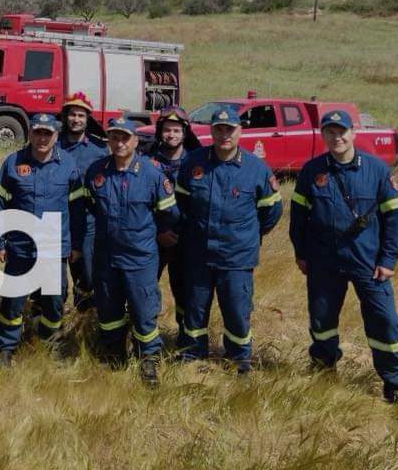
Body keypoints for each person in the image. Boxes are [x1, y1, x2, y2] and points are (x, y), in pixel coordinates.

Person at [290, 109, 398, 407]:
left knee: (385, 322)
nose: (337, 137)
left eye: (342, 131)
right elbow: (298, 217)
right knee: (322, 320)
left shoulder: (377, 170)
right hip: (323, 261)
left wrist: (388, 260)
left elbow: (394, 219)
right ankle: (323, 370)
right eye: (330, 132)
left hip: (368, 263)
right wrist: (302, 253)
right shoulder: (311, 171)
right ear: (323, 135)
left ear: (354, 133)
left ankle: (394, 384)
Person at [174, 105, 282, 372]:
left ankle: (238, 358)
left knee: (236, 309)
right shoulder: (193, 162)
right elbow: (181, 203)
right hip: (199, 253)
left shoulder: (256, 169)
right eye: (219, 129)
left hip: (236, 256)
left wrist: (250, 235)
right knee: (195, 308)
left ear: (239, 132)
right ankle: (193, 354)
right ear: (211, 131)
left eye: (230, 130)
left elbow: (271, 210)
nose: (224, 135)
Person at [82, 117, 179, 385]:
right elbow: (89, 207)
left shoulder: (152, 175)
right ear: (109, 140)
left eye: (125, 137)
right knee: (109, 311)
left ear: (135, 141)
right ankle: (114, 356)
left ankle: (148, 360)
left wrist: (159, 233)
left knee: (143, 311)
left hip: (140, 259)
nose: (119, 142)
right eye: (114, 137)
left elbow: (170, 213)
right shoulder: (96, 172)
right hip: (106, 258)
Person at [0, 112, 84, 365]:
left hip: (53, 249)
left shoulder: (68, 165)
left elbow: (77, 209)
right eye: (37, 132)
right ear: (30, 133)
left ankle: (49, 344)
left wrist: (76, 245)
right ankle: (5, 347)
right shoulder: (12, 162)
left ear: (55, 135)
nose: (42, 138)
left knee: (53, 302)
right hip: (19, 247)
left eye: (47, 133)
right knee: (12, 302)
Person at [143, 106, 201, 333]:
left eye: (176, 130)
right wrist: (159, 231)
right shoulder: (146, 162)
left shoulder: (198, 162)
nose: (171, 135)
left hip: (186, 241)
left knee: (186, 292)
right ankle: (145, 336)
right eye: (167, 130)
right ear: (159, 132)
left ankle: (186, 341)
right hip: (153, 239)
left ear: (185, 132)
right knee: (145, 290)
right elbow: (140, 204)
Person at [59, 92, 107, 311]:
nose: (76, 119)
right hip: (56, 221)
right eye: (72, 115)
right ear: (65, 117)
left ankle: (83, 319)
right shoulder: (53, 143)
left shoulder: (99, 150)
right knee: (53, 282)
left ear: (88, 119)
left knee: (87, 275)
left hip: (87, 222)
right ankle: (52, 325)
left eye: (80, 115)